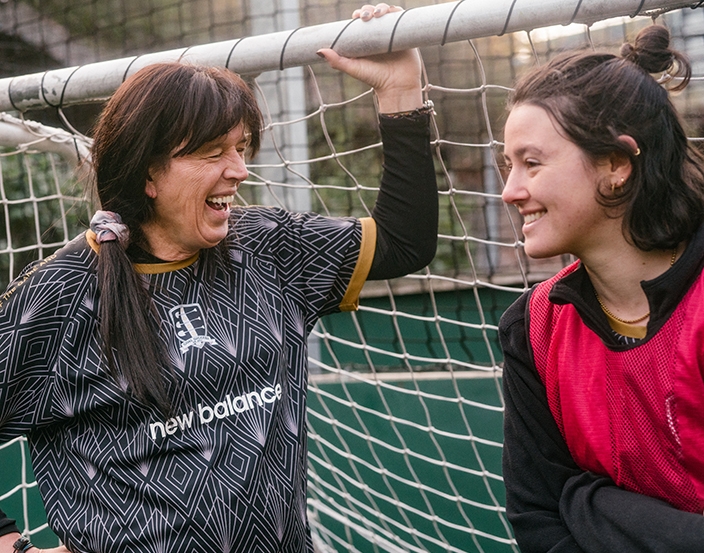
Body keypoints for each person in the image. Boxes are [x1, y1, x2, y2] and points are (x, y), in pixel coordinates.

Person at [0, 4, 438, 552]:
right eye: (214, 152)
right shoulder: (58, 296)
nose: (239, 170)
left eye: (241, 148)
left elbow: (405, 241)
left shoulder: (270, 247)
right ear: (148, 173)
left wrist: (400, 91)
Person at [499, 24, 704, 553]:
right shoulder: (532, 326)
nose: (510, 191)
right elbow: (537, 518)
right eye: (507, 166)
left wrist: (585, 502)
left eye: (531, 163)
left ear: (615, 164)